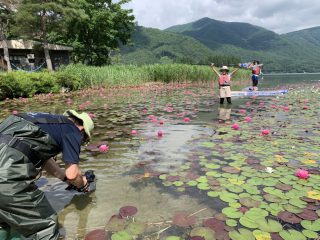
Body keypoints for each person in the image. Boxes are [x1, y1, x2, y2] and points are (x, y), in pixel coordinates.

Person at [0, 109, 95, 240]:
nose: (81, 142)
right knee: (46, 226)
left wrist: (65, 179)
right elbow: (73, 174)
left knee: (4, 221)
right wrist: (82, 183)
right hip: (7, 178)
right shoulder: (73, 130)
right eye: (83, 140)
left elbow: (42, 158)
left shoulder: (41, 120)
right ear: (82, 130)